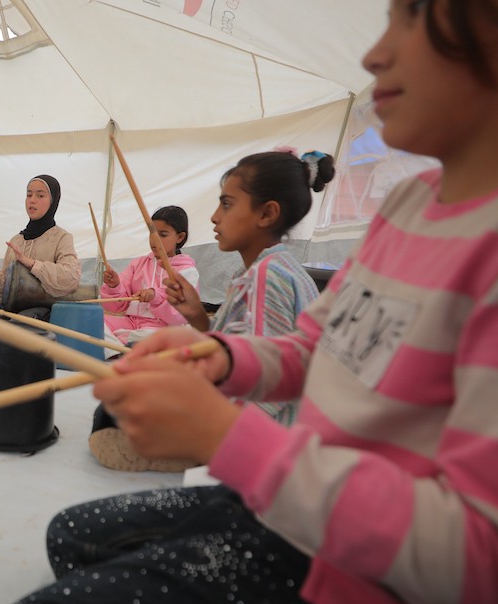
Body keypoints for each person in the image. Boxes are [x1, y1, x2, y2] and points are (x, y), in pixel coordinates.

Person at [0, 0, 498, 604]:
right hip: (312, 518)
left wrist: (225, 437)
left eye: (417, 7)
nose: (376, 53)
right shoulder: (413, 202)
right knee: (72, 539)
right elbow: (316, 346)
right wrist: (219, 359)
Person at [90, 155, 328, 472]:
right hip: (249, 422)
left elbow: (268, 388)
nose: (215, 217)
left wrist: (204, 427)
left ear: (267, 214)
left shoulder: (268, 278)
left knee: (114, 412)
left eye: (226, 204)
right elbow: (243, 352)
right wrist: (200, 319)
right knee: (120, 402)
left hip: (262, 444)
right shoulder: (268, 270)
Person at [0, 174, 80, 316]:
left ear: (53, 201)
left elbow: (70, 277)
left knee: (16, 325)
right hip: (11, 310)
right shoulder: (17, 241)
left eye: (40, 196)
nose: (32, 200)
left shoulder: (61, 238)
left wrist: (32, 264)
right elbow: (3, 287)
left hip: (43, 313)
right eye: (29, 195)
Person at [98, 205, 200, 346]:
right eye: (152, 233)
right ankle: (125, 344)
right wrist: (114, 286)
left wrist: (155, 296)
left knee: (150, 336)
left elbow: (181, 312)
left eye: (163, 235)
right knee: (94, 323)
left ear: (180, 237)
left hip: (165, 328)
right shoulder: (139, 263)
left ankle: (122, 344)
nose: (154, 239)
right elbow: (116, 306)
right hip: (132, 323)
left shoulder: (187, 271)